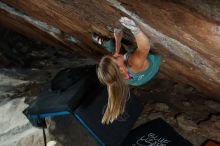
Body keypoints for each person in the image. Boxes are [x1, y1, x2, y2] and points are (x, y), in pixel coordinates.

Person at [93, 17, 161, 124]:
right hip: (152, 63)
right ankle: (105, 42)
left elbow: (117, 56)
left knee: (116, 49)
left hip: (139, 79)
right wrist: (135, 29)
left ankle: (106, 42)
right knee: (118, 49)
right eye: (114, 58)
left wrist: (118, 39)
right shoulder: (133, 63)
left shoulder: (116, 79)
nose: (115, 55)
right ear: (120, 69)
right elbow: (144, 47)